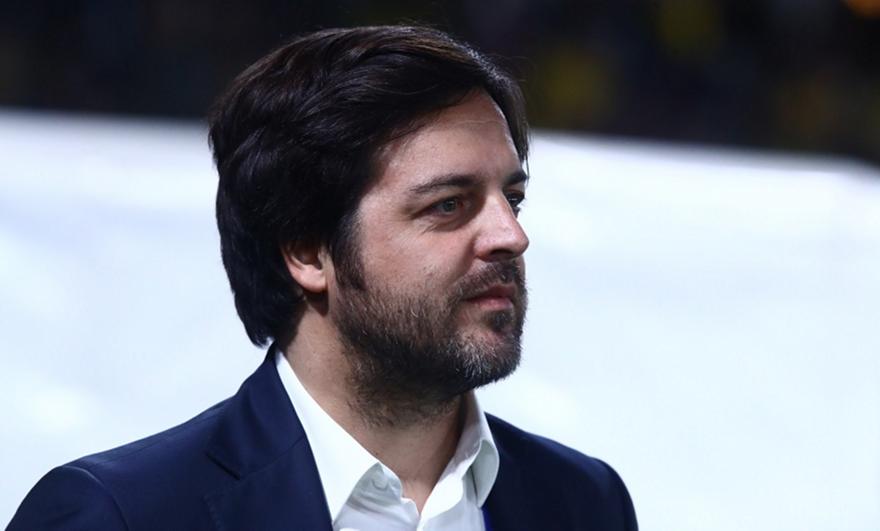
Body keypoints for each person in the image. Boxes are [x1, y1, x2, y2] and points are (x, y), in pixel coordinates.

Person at [8, 25, 637, 530]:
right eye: (448, 204)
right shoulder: (121, 514)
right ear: (308, 252)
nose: (511, 236)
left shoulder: (583, 501)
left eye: (513, 200)